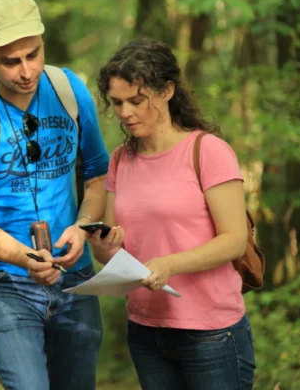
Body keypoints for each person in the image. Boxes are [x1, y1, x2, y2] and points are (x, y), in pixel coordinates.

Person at [0, 0, 120, 390]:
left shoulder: (69, 89)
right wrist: (26, 259)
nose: (26, 71)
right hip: (0, 281)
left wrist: (83, 226)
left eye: (33, 55)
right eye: (11, 61)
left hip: (73, 275)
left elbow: (96, 175)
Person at [91, 38, 256, 390]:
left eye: (136, 101)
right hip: (146, 330)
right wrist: (103, 244)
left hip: (210, 332)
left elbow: (234, 240)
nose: (125, 113)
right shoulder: (120, 158)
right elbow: (109, 252)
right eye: (117, 103)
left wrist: (170, 264)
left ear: (167, 91)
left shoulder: (208, 151)